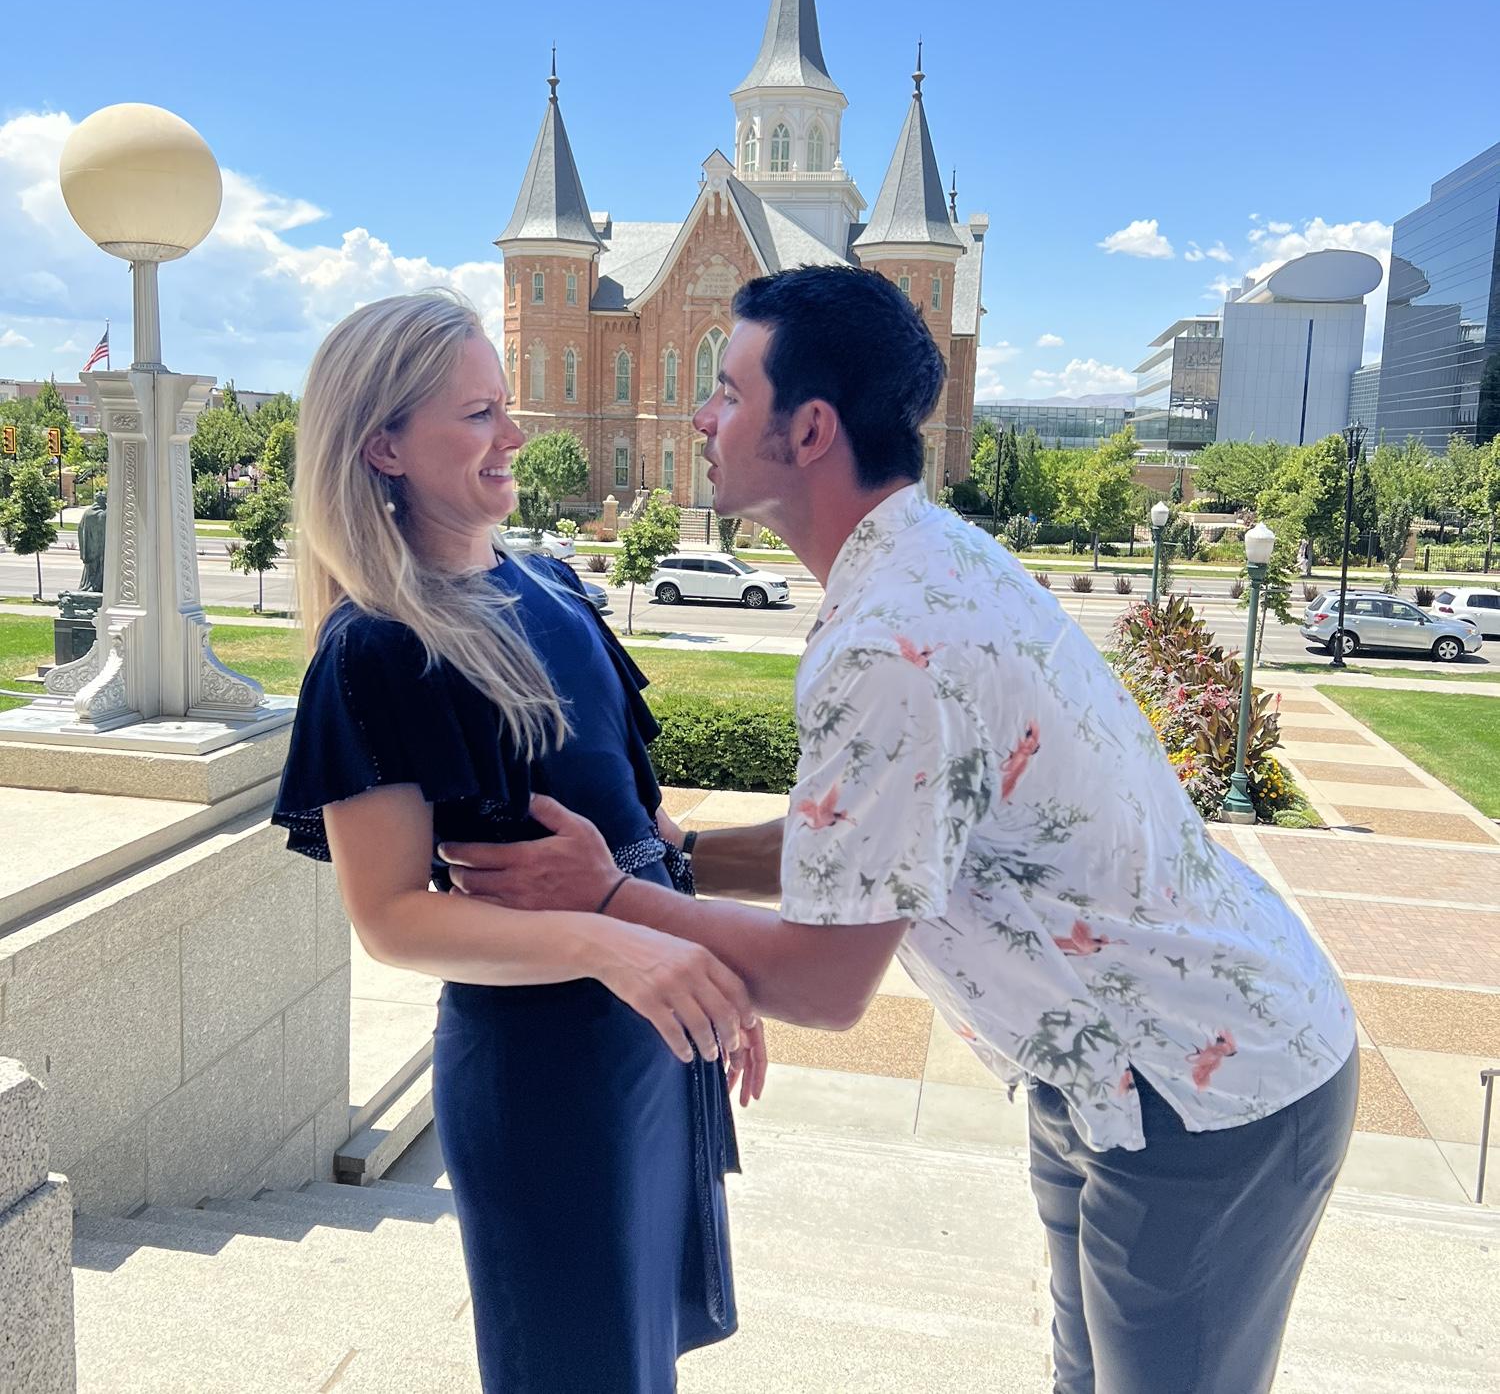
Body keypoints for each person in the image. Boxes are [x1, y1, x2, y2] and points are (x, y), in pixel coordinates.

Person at [444, 266, 1360, 1394]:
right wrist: (675, 860)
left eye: (728, 391)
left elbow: (826, 981)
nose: (699, 417)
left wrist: (606, 897)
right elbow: (878, 841)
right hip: (1103, 1076)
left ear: (809, 430)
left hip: (1204, 1088)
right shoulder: (925, 558)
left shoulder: (892, 640)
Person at [271, 290, 762, 1394]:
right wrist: (616, 947)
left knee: (640, 1358)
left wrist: (705, 959)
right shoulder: (375, 647)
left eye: (506, 404)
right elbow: (392, 920)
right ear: (383, 447)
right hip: (547, 1070)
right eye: (479, 412)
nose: (517, 434)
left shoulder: (553, 582)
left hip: (647, 1035)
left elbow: (642, 821)